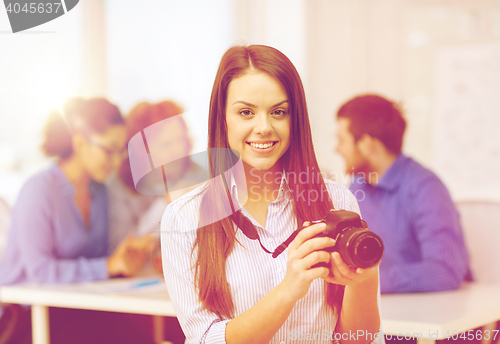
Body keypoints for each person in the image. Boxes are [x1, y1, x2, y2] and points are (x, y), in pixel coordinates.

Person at [161, 45, 383, 344]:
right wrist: (288, 290)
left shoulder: (338, 202)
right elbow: (205, 339)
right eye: (246, 112)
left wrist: (364, 279)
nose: (264, 127)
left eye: (279, 112)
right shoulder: (184, 217)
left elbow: (358, 339)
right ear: (222, 119)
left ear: (295, 119)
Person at [0, 97, 153, 344]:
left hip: (73, 308)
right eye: (109, 150)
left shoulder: (100, 191)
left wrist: (123, 261)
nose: (116, 162)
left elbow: (97, 258)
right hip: (26, 316)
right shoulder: (38, 190)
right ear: (80, 143)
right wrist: (108, 266)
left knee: (143, 333)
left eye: (121, 151)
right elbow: (39, 271)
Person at [334, 94, 471, 294]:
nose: (337, 149)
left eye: (341, 140)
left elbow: (446, 271)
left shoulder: (425, 188)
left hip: (433, 313)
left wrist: (368, 281)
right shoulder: (357, 186)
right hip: (385, 309)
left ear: (366, 144)